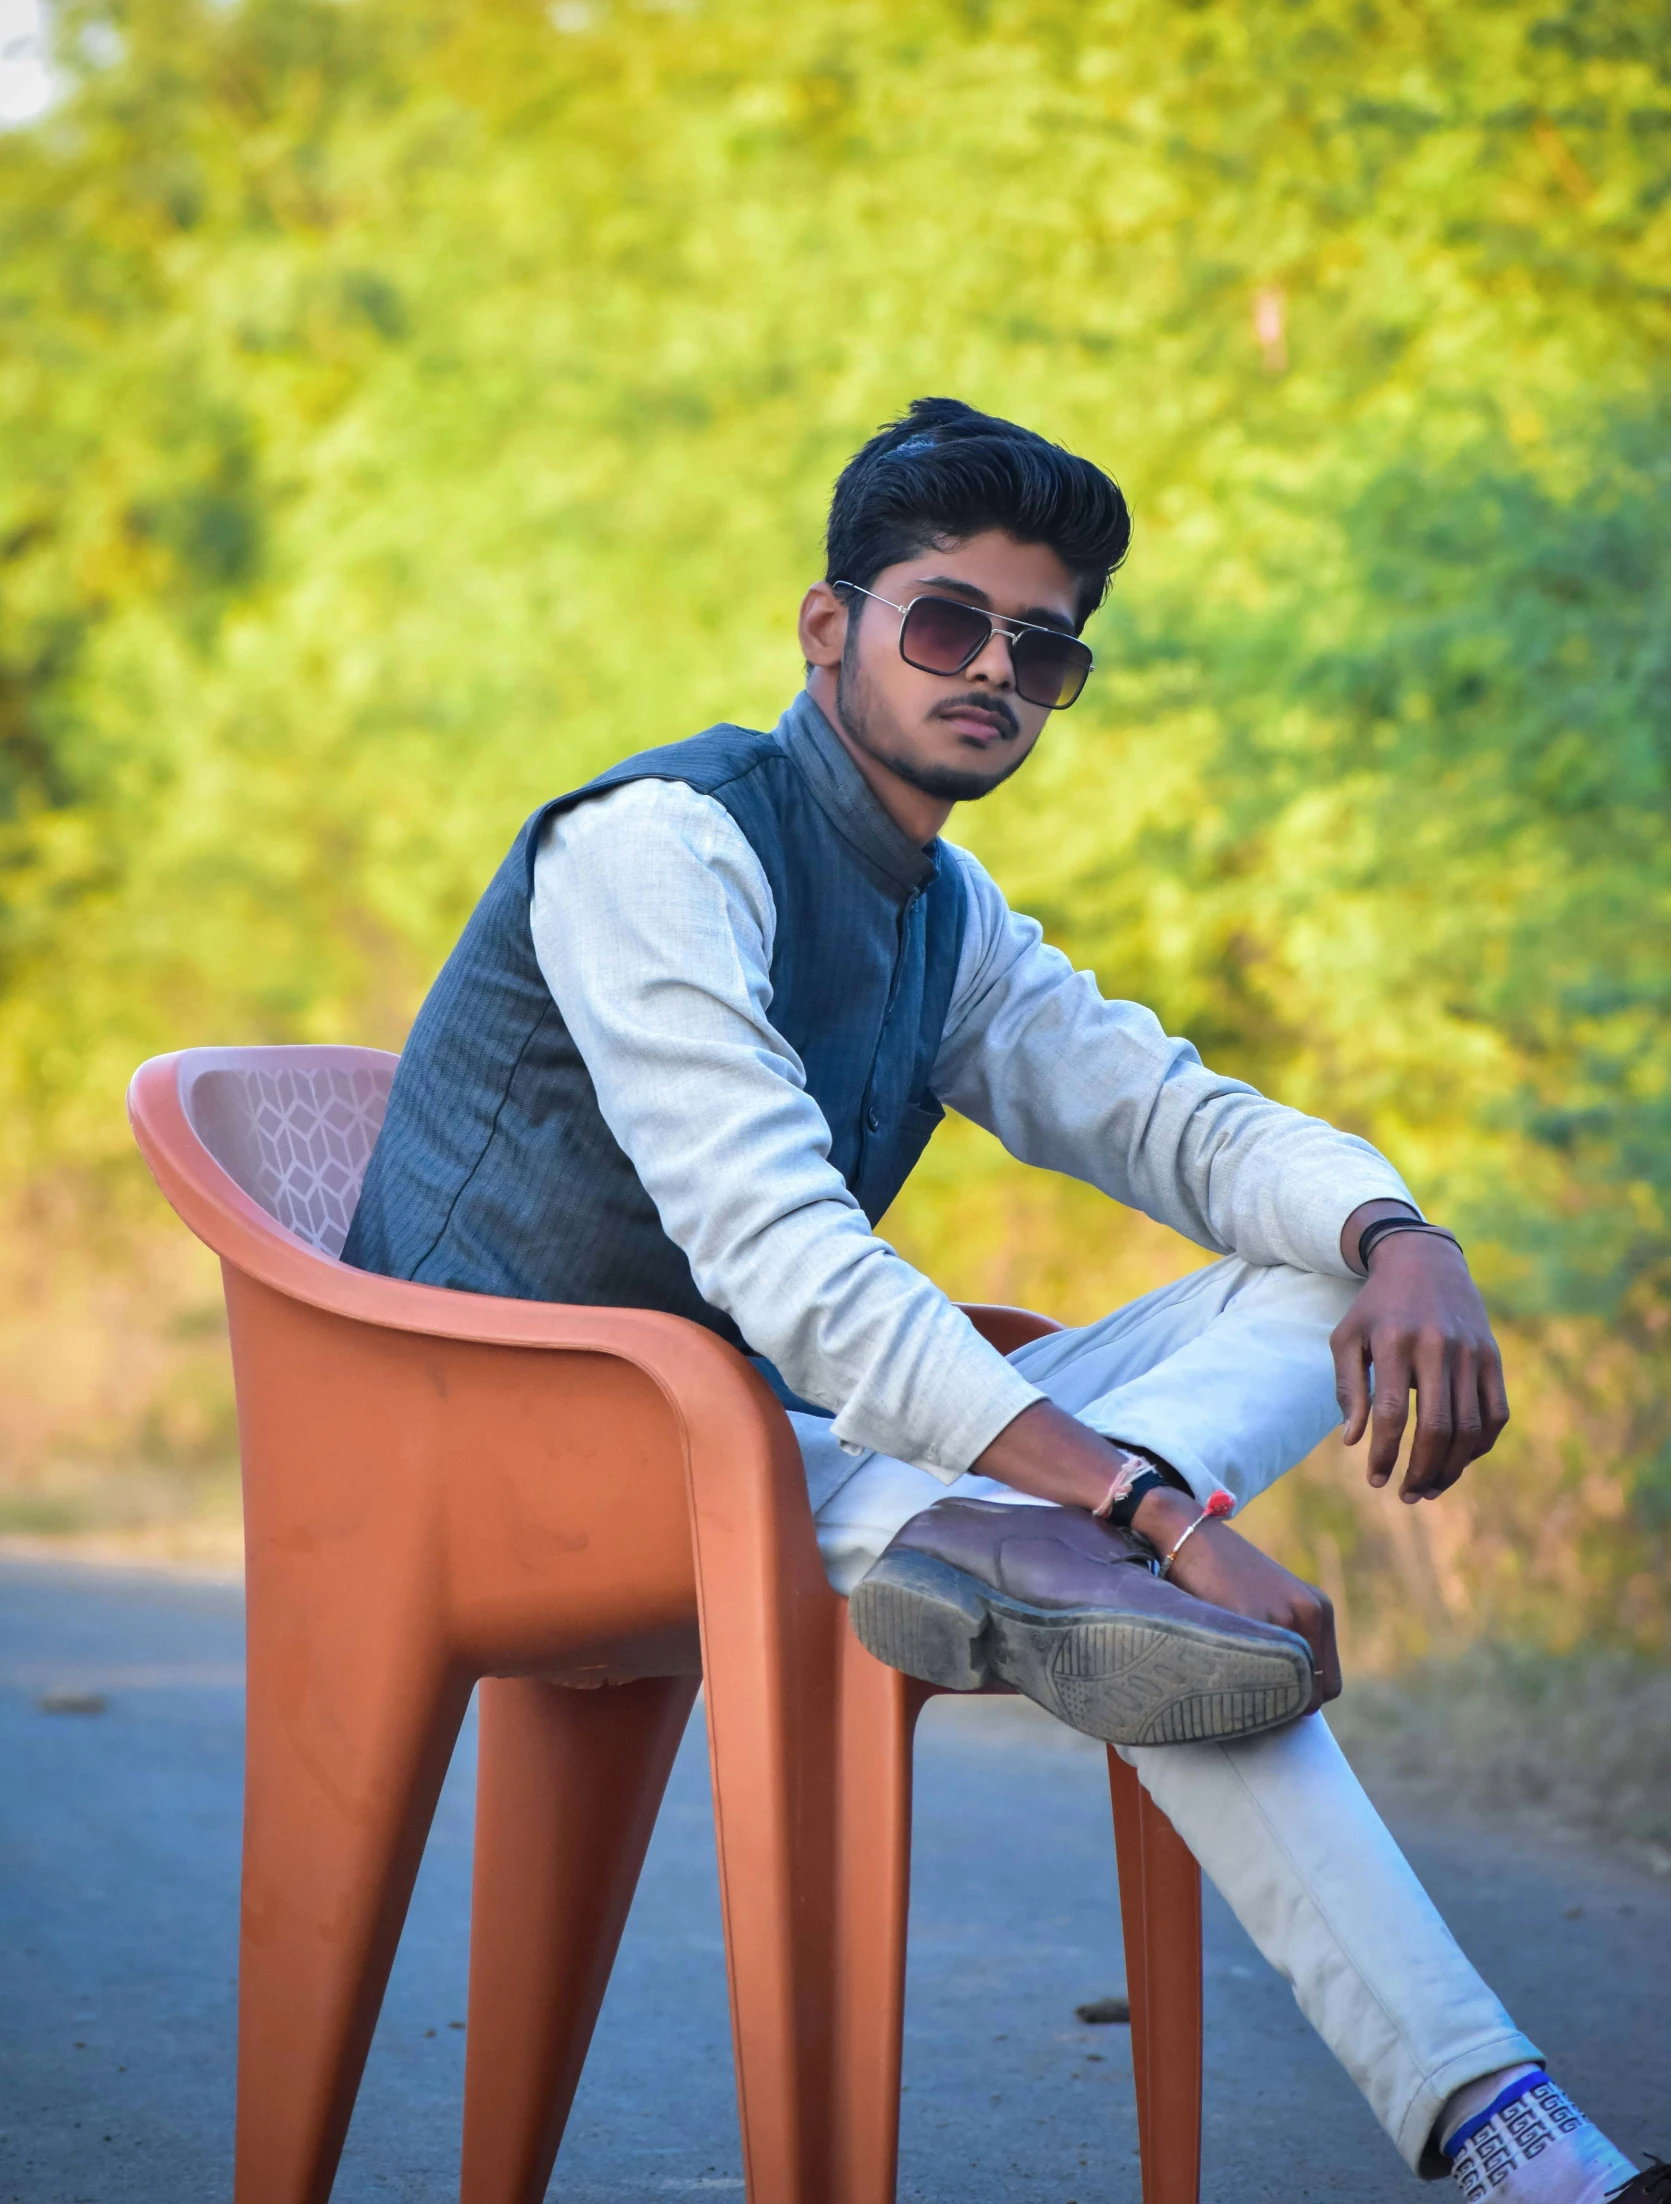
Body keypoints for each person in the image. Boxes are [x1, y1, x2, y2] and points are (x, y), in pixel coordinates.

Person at [342, 398, 1659, 2199]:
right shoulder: (661, 845)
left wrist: (1398, 1234)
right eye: (946, 622)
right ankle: (1517, 2143)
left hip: (768, 1445)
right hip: (510, 1452)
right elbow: (782, 1256)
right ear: (830, 628)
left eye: (1043, 651)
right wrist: (1129, 1501)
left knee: (1295, 1281)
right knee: (1121, 1585)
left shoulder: (942, 915)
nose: (997, 676)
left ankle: (1044, 1576)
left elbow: (1171, 1115)